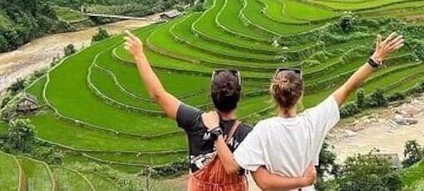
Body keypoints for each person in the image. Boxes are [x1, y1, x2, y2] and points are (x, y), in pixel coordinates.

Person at [203, 33, 405, 190]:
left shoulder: (264, 130)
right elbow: (348, 88)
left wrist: (216, 131)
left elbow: (234, 168)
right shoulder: (313, 121)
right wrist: (375, 58)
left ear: (273, 94)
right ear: (300, 95)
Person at [124, 32, 316, 191]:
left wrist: (139, 54)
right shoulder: (249, 134)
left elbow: (159, 96)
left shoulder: (196, 121)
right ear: (239, 97)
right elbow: (264, 180)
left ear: (212, 95)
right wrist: (303, 180)